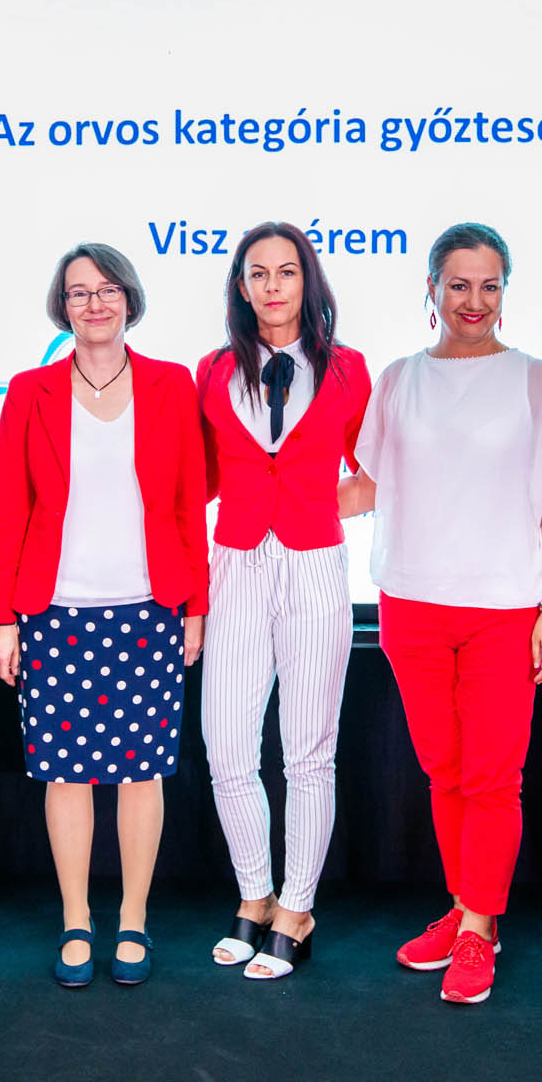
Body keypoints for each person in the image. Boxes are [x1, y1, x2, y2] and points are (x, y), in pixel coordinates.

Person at [341, 222, 542, 1006]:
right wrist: (268, 492)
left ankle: (480, 927)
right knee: (443, 771)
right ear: (432, 289)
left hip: (504, 609)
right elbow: (366, 487)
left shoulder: (538, 381)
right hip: (410, 603)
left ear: (504, 291)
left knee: (490, 776)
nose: (473, 300)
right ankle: (464, 906)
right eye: (458, 284)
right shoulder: (398, 379)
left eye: (489, 285)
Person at [0, 244, 208, 987]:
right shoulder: (30, 390)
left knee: (143, 774)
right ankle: (77, 919)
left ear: (129, 299)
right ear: (63, 306)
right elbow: (9, 510)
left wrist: (196, 606)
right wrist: (4, 617)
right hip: (56, 612)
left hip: (149, 608)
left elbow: (188, 504)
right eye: (79, 292)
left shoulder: (171, 385)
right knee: (66, 775)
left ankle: (134, 918)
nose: (95, 303)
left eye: (108, 289)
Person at [197, 221, 371, 981]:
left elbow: (378, 469)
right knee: (228, 749)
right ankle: (255, 894)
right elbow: (197, 478)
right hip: (235, 562)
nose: (273, 285)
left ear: (308, 281)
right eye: (258, 273)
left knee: (308, 752)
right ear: (241, 286)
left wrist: (319, 503)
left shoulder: (350, 369)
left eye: (287, 271)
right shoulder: (211, 370)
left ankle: (297, 907)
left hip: (314, 565)